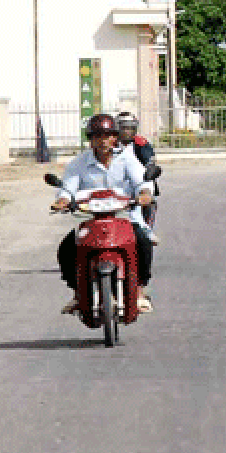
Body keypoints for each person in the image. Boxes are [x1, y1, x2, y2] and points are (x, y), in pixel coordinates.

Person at [52, 112, 154, 315]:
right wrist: (63, 200)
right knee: (66, 248)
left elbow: (142, 181)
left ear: (115, 138)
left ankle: (140, 292)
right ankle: (77, 293)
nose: (103, 141)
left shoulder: (127, 159)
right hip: (89, 220)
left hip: (123, 217)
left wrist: (144, 193)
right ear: (90, 140)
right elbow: (68, 189)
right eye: (97, 136)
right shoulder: (78, 163)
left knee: (143, 242)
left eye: (107, 135)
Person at [114, 110, 159, 245]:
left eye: (131, 127)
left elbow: (149, 160)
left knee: (151, 199)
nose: (127, 131)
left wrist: (150, 169)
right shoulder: (109, 143)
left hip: (137, 181)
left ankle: (147, 230)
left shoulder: (141, 143)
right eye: (124, 127)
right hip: (116, 182)